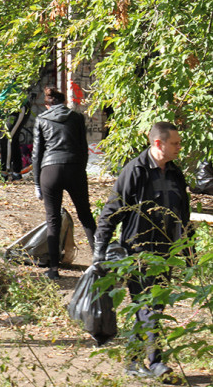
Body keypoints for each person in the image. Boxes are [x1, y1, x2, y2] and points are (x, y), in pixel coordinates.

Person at [93, 122, 190, 382]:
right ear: (158, 144)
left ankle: (134, 361)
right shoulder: (134, 171)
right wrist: (99, 250)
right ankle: (155, 362)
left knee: (152, 306)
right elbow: (111, 211)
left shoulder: (175, 173)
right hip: (138, 252)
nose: (179, 147)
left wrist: (189, 253)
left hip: (166, 253)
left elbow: (184, 215)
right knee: (148, 307)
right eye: (175, 143)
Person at [32, 87, 96, 280]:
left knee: (53, 219)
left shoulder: (42, 120)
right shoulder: (76, 118)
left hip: (50, 170)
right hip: (75, 167)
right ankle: (100, 263)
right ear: (64, 102)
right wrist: (81, 169)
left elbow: (37, 154)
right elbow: (83, 148)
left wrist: (37, 183)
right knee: (85, 215)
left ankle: (53, 269)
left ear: (47, 105)